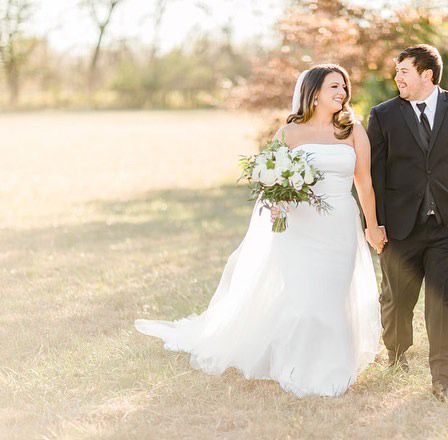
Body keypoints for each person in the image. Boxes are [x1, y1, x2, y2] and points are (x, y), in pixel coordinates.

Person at [135, 64, 383, 398]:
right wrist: (277, 202)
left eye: (344, 88)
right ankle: (299, 364)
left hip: (338, 223)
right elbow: (270, 176)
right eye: (334, 87)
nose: (342, 93)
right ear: (313, 92)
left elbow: (363, 181)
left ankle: (334, 367)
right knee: (305, 298)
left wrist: (372, 226)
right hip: (299, 227)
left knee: (331, 296)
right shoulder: (289, 133)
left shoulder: (352, 131)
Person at [367, 44, 448, 402]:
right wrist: (373, 224)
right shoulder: (383, 115)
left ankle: (443, 380)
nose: (396, 77)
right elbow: (371, 175)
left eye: (403, 71)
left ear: (427, 75)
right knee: (396, 301)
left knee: (445, 301)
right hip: (398, 229)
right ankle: (396, 353)